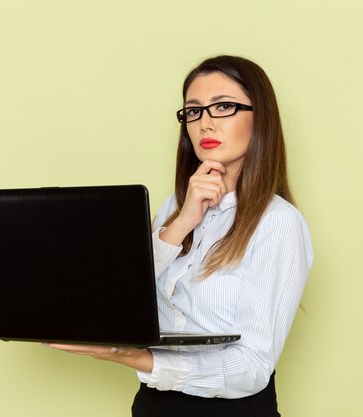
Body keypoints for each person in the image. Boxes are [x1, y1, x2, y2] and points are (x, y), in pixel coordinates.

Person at [48, 55, 314, 417]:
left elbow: (253, 367)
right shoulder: (175, 204)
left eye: (224, 107)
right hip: (154, 406)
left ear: (260, 118)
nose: (205, 124)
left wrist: (142, 360)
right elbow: (121, 297)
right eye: (193, 111)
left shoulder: (278, 222)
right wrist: (183, 220)